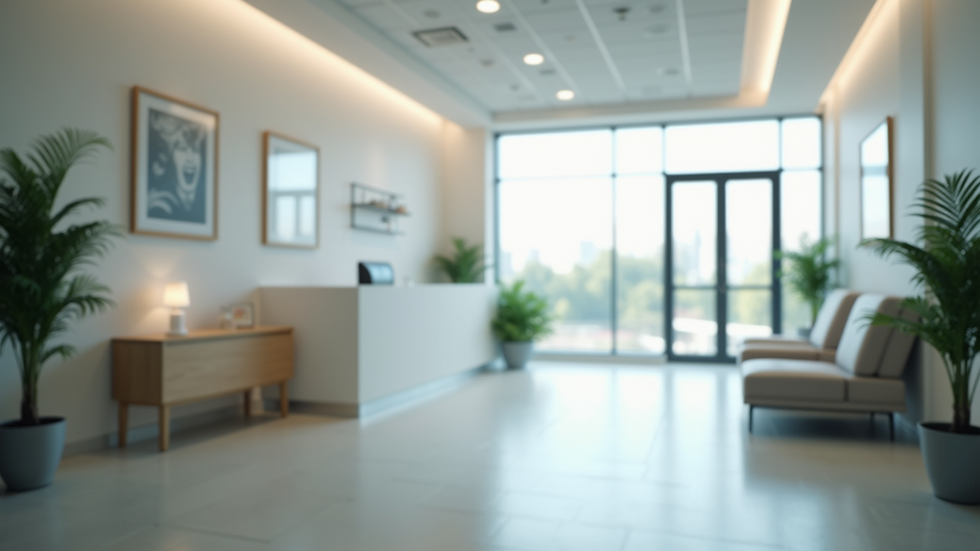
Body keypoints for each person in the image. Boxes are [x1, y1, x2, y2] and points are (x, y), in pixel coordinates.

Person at [147, 109, 207, 223]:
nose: (190, 158)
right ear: (169, 156)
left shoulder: (203, 205)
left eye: (195, 150)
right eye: (182, 149)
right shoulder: (160, 206)